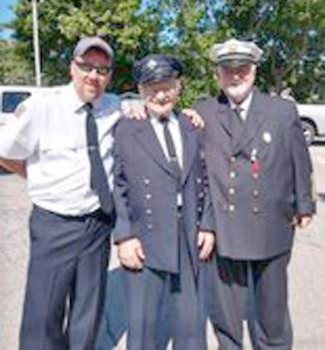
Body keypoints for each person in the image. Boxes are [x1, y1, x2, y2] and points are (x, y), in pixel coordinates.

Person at [0, 36, 121, 350]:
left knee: (88, 310)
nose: (93, 75)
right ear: (72, 67)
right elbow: (5, 150)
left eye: (102, 69)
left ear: (109, 75)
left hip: (98, 224)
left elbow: (151, 109)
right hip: (55, 223)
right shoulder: (44, 105)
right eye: (86, 66)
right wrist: (36, 175)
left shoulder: (115, 107)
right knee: (44, 312)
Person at [195, 38, 316, 350]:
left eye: (243, 69)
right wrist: (132, 107)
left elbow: (299, 159)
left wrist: (305, 202)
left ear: (254, 72)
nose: (236, 76)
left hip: (272, 224)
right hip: (224, 226)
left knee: (272, 314)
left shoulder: (282, 110)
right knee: (227, 316)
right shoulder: (202, 112)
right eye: (228, 69)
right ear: (217, 74)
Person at [113, 54, 216, 350]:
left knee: (191, 324)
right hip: (144, 235)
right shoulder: (126, 127)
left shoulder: (192, 125)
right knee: (143, 326)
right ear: (141, 91)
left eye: (167, 86)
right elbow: (117, 185)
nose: (160, 94)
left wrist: (207, 225)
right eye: (152, 88)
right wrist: (125, 236)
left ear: (178, 87)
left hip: (189, 233)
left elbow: (205, 179)